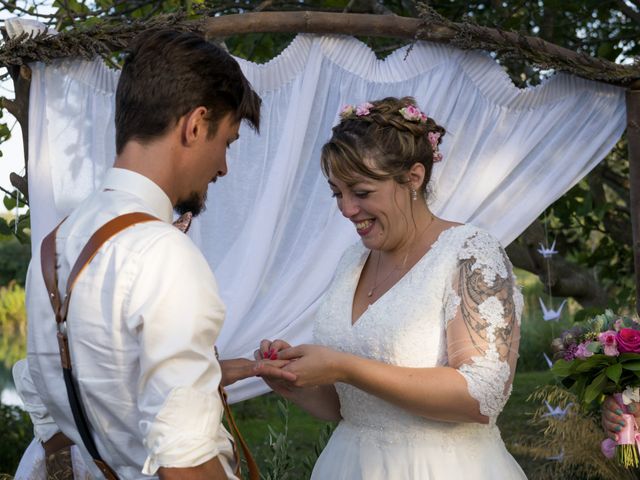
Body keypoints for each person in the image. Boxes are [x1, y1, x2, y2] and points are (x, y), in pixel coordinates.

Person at [15, 29, 293, 480]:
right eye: (227, 142)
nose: (223, 166)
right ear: (195, 125)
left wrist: (211, 373)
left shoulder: (57, 244)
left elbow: (102, 384)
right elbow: (184, 463)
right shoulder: (164, 255)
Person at [256, 97, 526, 479]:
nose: (347, 210)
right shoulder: (352, 261)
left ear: (413, 178)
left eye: (361, 193)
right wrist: (295, 382)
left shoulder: (469, 254)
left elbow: (481, 397)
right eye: (337, 193)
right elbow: (347, 406)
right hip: (348, 465)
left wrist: (343, 366)